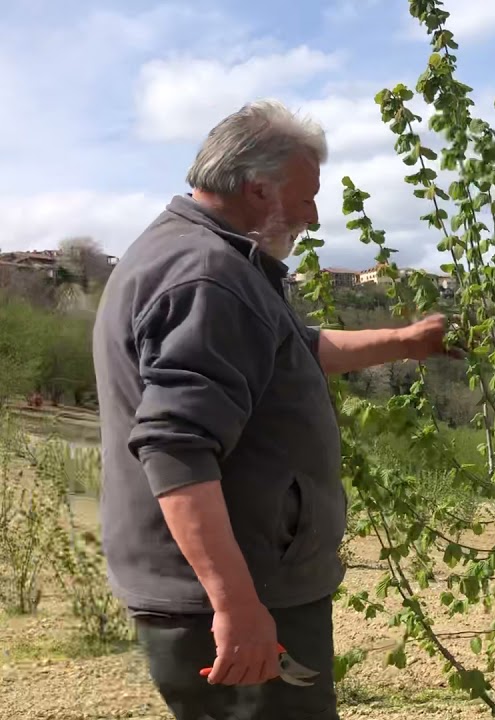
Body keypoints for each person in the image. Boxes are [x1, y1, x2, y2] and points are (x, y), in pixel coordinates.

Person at [92, 99, 455, 719]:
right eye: (306, 197)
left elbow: (292, 348)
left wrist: (406, 342)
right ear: (258, 188)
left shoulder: (209, 257)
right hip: (234, 597)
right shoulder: (207, 275)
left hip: (244, 584)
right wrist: (235, 605)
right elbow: (176, 448)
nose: (313, 216)